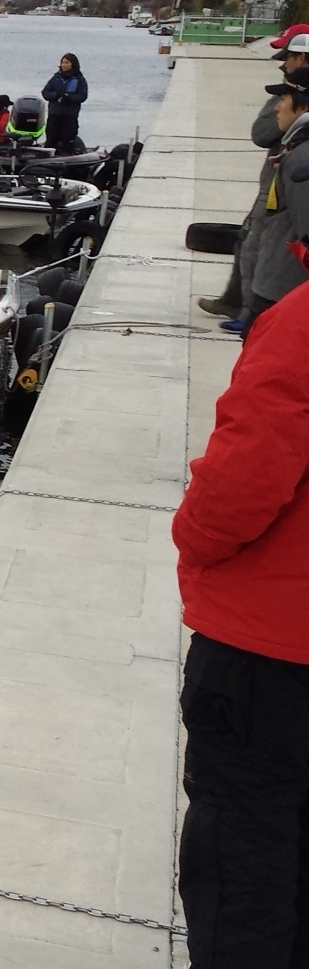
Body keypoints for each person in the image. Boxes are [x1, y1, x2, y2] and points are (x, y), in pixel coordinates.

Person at [174, 215, 309, 964]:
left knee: (244, 862)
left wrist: (193, 539)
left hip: (271, 655)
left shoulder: (300, 322)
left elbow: (242, 482)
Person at [201, 25, 309, 323]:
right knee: (253, 241)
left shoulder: (299, 150)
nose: (282, 62)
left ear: (301, 58)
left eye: (287, 56)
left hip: (279, 192)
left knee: (258, 244)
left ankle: (252, 313)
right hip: (277, 186)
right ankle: (241, 304)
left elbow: (261, 132)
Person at [240, 67, 309, 331]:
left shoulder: (301, 159)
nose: (277, 108)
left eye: (283, 99)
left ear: (302, 107)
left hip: (283, 290)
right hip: (278, 285)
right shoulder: (295, 151)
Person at [41, 53, 89, 154]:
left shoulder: (79, 79)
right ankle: (47, 159)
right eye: (62, 62)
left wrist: (69, 98)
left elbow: (82, 96)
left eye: (67, 63)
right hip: (54, 115)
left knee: (67, 141)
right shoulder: (56, 78)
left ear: (73, 64)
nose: (64, 65)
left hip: (69, 116)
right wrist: (56, 95)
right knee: (51, 140)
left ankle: (67, 157)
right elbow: (45, 93)